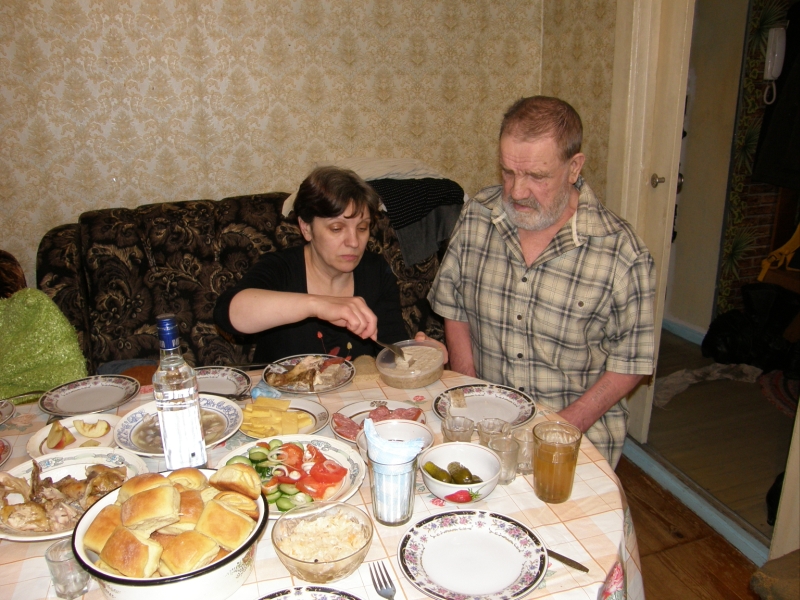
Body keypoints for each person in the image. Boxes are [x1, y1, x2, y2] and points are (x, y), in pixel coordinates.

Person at [428, 96, 655, 467]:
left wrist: (558, 428)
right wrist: (468, 392)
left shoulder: (621, 253)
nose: (517, 191)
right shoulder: (478, 217)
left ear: (573, 167)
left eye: (536, 176)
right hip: (485, 426)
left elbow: (631, 362)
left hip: (575, 433)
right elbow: (455, 308)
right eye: (508, 172)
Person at [214, 166, 445, 364]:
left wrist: (421, 355)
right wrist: (318, 305)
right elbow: (228, 315)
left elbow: (392, 351)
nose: (353, 242)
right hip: (280, 400)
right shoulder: (281, 268)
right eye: (336, 228)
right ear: (306, 228)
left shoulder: (375, 271)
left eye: (362, 228)